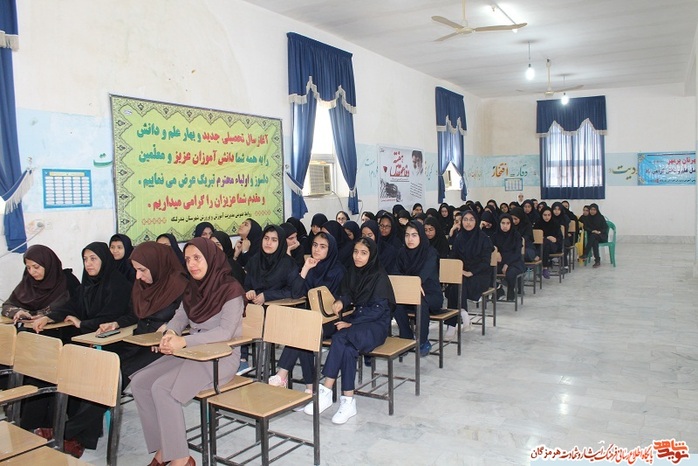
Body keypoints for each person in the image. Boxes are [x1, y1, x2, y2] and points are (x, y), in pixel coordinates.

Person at [130, 237, 245, 466]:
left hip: (220, 357)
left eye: (197, 258)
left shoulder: (231, 289)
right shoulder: (192, 287)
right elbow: (180, 317)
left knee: (163, 389)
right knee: (140, 383)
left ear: (211, 258)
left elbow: (225, 333)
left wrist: (183, 342)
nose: (192, 264)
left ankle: (181, 459)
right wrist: (170, 334)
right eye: (188, 259)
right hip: (191, 352)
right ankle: (165, 449)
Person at [30, 242, 132, 457]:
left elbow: (111, 317)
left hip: (115, 344)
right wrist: (50, 317)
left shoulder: (118, 283)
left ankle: (73, 436)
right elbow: (72, 306)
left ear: (104, 260)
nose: (88, 264)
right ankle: (66, 431)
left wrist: (82, 324)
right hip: (89, 341)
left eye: (93, 259)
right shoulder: (87, 284)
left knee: (94, 377)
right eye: (85, 259)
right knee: (67, 365)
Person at [303, 237, 395, 425]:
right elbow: (348, 294)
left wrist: (351, 324)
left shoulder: (379, 276)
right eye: (355, 252)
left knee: (341, 337)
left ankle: (326, 389)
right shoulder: (352, 272)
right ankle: (348, 400)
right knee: (347, 347)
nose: (358, 257)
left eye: (363, 253)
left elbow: (378, 310)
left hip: (376, 324)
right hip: (359, 321)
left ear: (371, 255)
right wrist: (341, 301)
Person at [97, 242, 188, 382]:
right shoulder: (141, 285)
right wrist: (116, 324)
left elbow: (191, 319)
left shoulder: (180, 286)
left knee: (121, 372)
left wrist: (168, 329)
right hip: (139, 341)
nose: (138, 276)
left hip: (161, 348)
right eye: (136, 270)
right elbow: (134, 315)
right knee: (104, 364)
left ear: (156, 264)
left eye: (142, 270)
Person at [268, 232, 346, 391]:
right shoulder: (311, 266)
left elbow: (337, 301)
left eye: (322, 247)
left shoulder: (338, 271)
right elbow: (296, 293)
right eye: (315, 245)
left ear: (330, 250)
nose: (317, 249)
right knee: (304, 333)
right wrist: (305, 268)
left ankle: (283, 374)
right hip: (310, 319)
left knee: (303, 331)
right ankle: (310, 388)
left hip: (330, 320)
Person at [242, 225, 302, 374]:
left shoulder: (288, 263)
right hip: (255, 311)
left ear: (280, 242)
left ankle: (272, 374)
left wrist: (267, 296)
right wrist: (249, 292)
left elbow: (293, 291)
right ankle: (242, 361)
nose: (268, 243)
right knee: (237, 317)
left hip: (278, 311)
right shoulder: (255, 260)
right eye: (266, 238)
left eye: (274, 240)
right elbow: (247, 285)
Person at [393, 222, 442, 356]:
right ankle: (406, 336)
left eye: (414, 235)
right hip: (409, 294)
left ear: (421, 236)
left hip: (430, 295)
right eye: (407, 235)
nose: (410, 239)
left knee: (420, 300)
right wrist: (408, 286)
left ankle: (422, 340)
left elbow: (423, 274)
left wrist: (413, 284)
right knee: (394, 300)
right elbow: (396, 273)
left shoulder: (430, 253)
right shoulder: (401, 252)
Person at [2, 245, 79, 321]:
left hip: (62, 327)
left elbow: (76, 307)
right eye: (28, 268)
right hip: (31, 327)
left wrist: (46, 316)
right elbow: (7, 305)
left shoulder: (68, 281)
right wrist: (17, 312)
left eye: (36, 267)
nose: (31, 272)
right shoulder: (28, 283)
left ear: (48, 263)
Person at [446, 210, 494, 331]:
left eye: (471, 220)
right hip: (462, 273)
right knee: (454, 285)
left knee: (455, 287)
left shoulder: (483, 238)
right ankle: (463, 313)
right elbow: (453, 256)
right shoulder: (459, 237)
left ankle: (452, 326)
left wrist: (470, 272)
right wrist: (458, 269)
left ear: (476, 221)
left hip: (479, 275)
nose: (468, 223)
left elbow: (485, 263)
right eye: (465, 220)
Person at [491, 214, 526, 301]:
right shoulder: (495, 236)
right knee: (487, 270)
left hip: (514, 262)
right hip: (500, 262)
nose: (505, 226)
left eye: (508, 223)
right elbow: (490, 248)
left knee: (511, 273)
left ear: (511, 224)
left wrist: (507, 264)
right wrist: (496, 252)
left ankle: (511, 291)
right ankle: (499, 290)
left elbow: (517, 253)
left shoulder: (516, 236)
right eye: (503, 223)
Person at [534, 206, 563, 279]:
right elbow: (534, 238)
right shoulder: (538, 224)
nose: (547, 217)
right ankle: (545, 267)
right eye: (545, 215)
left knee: (546, 242)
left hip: (554, 246)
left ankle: (540, 260)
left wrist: (555, 239)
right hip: (541, 246)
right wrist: (545, 238)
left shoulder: (555, 224)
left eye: (549, 215)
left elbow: (560, 239)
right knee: (546, 243)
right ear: (541, 215)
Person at [583, 203, 608, 268]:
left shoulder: (601, 217)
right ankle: (597, 261)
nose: (592, 211)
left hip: (602, 236)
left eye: (594, 210)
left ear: (597, 210)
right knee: (594, 241)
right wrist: (592, 231)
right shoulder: (588, 218)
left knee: (593, 236)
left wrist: (599, 232)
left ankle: (586, 253)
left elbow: (605, 228)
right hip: (593, 237)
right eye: (591, 209)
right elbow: (585, 227)